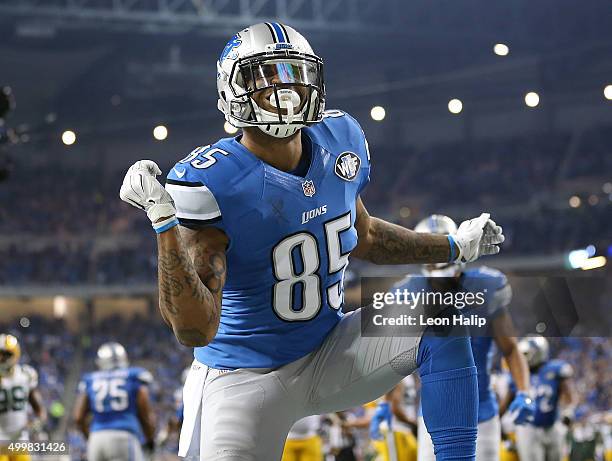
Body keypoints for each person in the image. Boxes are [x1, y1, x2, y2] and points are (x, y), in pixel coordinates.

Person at [119, 23, 505, 460]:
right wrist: (165, 224)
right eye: (265, 79)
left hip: (329, 349)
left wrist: (454, 247)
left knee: (440, 310)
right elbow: (194, 328)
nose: (284, 91)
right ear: (234, 91)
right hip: (244, 377)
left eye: (293, 75)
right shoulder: (212, 180)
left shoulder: (339, 137)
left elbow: (367, 234)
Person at [410, 215, 535, 461]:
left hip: (482, 416)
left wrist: (524, 391)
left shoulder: (484, 289)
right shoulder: (413, 296)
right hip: (434, 417)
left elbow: (510, 349)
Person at [73, 342, 156, 461]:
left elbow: (78, 418)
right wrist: (150, 440)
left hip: (97, 439)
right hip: (124, 437)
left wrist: (90, 437)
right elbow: (145, 415)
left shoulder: (90, 379)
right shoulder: (133, 376)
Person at [514, 336, 575, 461]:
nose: (523, 358)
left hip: (553, 425)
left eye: (526, 353)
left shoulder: (554, 370)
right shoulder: (519, 373)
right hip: (529, 428)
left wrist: (568, 412)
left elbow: (569, 395)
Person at [0, 334, 47, 461]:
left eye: (5, 354)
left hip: (19, 440)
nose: (1, 359)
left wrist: (37, 422)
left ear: (15, 354)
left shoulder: (25, 375)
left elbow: (39, 409)